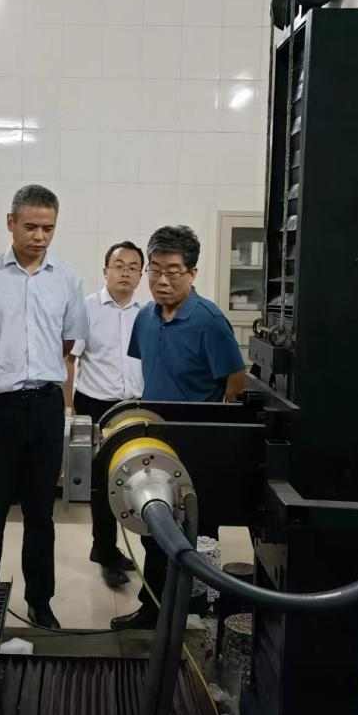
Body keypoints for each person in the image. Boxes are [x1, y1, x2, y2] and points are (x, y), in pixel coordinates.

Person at [0, 185, 89, 630]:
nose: (39, 236)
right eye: (31, 226)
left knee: (40, 511)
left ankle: (40, 600)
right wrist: (2, 370)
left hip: (46, 406)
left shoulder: (67, 279)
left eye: (48, 228)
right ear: (10, 222)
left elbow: (67, 342)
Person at [110, 224, 247, 631]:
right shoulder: (145, 318)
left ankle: (194, 608)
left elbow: (235, 381)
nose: (161, 280)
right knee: (153, 526)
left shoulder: (209, 321)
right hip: (156, 440)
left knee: (196, 531)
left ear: (192, 273)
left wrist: (217, 429)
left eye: (172, 271)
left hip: (199, 443)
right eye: (155, 270)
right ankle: (154, 609)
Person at [63, 240, 146, 589]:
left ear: (140, 275)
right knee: (102, 483)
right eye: (119, 265)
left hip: (136, 406)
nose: (125, 272)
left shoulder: (147, 312)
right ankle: (105, 550)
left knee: (134, 477)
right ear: (105, 271)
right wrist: (69, 409)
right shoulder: (86, 309)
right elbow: (69, 360)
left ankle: (125, 547)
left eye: (133, 267)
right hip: (95, 404)